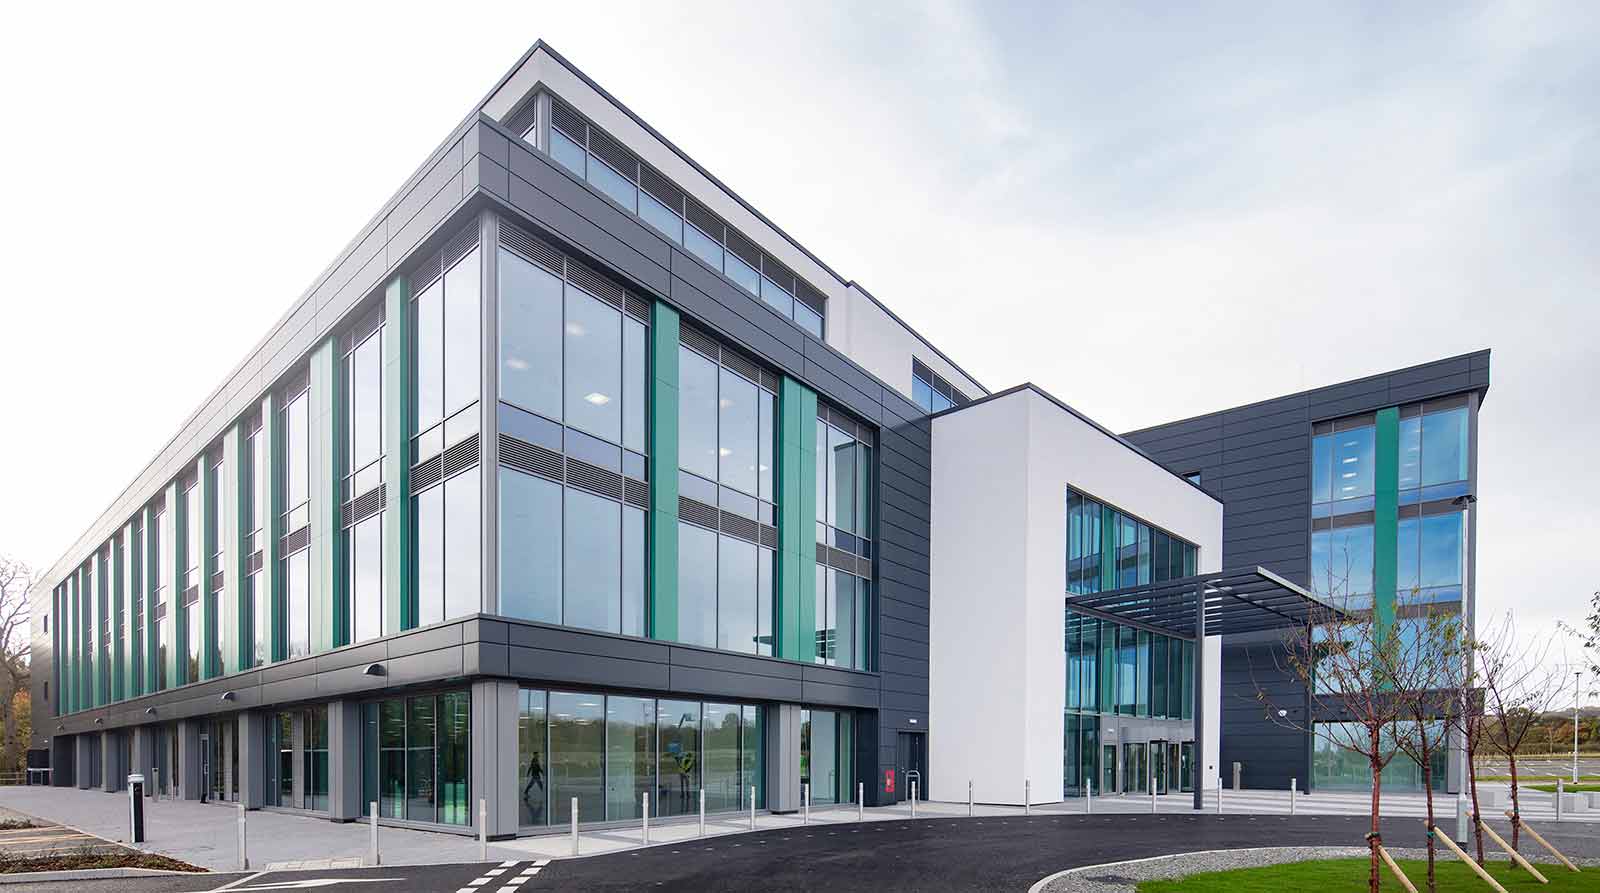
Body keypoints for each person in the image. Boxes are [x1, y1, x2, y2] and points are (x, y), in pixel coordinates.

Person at [522, 751, 546, 823]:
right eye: (537, 754)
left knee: (533, 784)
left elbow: (535, 767)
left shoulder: (536, 760)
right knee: (539, 784)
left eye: (538, 754)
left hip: (535, 775)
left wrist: (541, 772)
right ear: (535, 755)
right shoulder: (534, 760)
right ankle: (544, 793)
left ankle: (526, 792)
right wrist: (542, 772)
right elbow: (535, 767)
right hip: (535, 775)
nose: (538, 755)